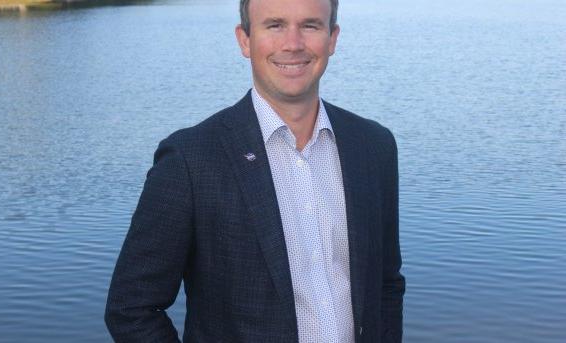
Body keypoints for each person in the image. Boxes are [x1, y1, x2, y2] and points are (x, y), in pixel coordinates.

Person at [104, 0, 405, 342]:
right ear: (245, 40)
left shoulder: (373, 147)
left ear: (332, 38)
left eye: (310, 25)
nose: (293, 44)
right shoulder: (190, 160)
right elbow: (131, 308)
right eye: (274, 25)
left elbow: (387, 285)